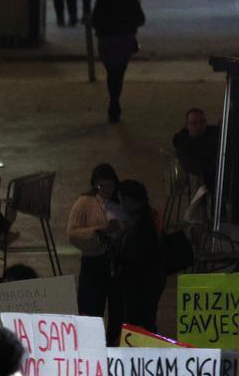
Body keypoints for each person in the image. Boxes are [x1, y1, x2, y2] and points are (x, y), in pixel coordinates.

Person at [104, 178, 163, 334]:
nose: (120, 204)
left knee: (139, 325)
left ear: (131, 201)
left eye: (122, 199)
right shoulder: (143, 219)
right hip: (144, 283)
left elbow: (133, 257)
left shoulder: (140, 226)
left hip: (139, 285)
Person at [67, 163, 122, 323]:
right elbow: (72, 233)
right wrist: (98, 232)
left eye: (110, 186)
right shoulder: (84, 202)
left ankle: (115, 342)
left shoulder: (120, 201)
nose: (106, 190)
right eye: (101, 186)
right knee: (90, 311)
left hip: (116, 261)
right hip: (93, 262)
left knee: (118, 311)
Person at [90, 0, 145, 124]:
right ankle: (114, 101)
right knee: (119, 73)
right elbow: (140, 19)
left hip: (106, 42)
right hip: (124, 42)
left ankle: (114, 101)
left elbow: (95, 21)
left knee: (111, 73)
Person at [173, 108, 219, 188]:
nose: (199, 126)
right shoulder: (184, 145)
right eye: (194, 123)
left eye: (202, 122)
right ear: (187, 125)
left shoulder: (214, 135)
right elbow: (196, 169)